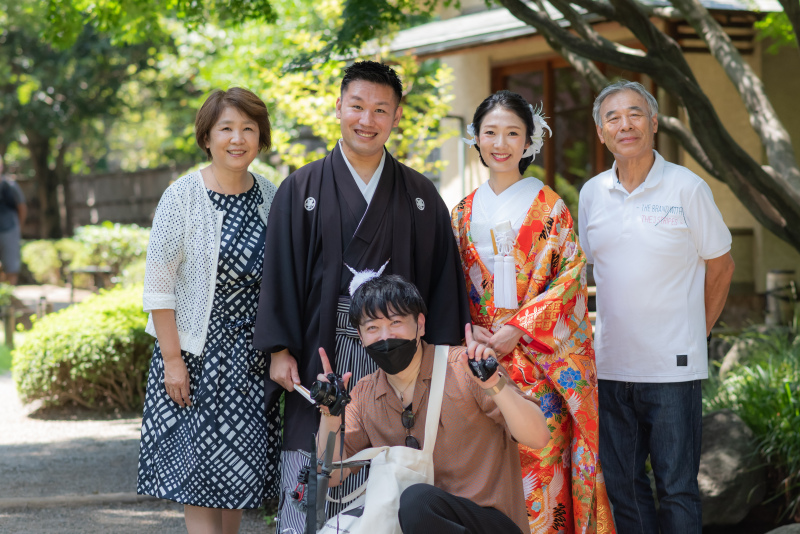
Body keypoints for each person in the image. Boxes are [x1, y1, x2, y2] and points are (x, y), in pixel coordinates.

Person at [254, 61, 471, 532]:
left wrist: (445, 363)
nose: (366, 120)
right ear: (338, 107)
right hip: (321, 349)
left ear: (395, 118)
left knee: (398, 465)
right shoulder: (301, 188)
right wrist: (278, 349)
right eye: (357, 106)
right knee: (313, 459)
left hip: (402, 356)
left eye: (380, 110)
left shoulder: (419, 194)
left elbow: (441, 284)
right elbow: (280, 271)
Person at [452, 90, 614, 533]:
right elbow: (449, 284)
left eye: (512, 133)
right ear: (476, 138)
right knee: (481, 468)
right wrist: (474, 335)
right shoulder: (462, 212)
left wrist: (519, 329)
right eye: (490, 133)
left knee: (540, 465)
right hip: (478, 358)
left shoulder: (550, 207)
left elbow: (570, 278)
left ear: (529, 141)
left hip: (538, 360)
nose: (500, 143)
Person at [578, 80, 735, 533]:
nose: (624, 124)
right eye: (612, 117)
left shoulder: (687, 187)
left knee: (677, 488)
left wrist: (695, 333)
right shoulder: (592, 194)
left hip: (673, 371)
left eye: (634, 114)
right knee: (624, 486)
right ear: (600, 131)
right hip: (610, 367)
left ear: (654, 123)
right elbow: (591, 272)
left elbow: (721, 267)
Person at [137, 87, 281, 534]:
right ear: (207, 136)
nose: (237, 139)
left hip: (250, 359)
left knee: (236, 476)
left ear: (260, 138)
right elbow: (158, 287)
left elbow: (282, 281)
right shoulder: (182, 197)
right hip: (195, 357)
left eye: (248, 129)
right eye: (226, 129)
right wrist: (173, 362)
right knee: (198, 479)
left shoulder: (271, 197)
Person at [316, 274, 550, 534]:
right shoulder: (365, 394)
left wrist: (493, 384)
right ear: (360, 336)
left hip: (488, 524)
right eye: (372, 328)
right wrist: (330, 414)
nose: (385, 336)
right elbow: (331, 475)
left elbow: (539, 437)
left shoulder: (465, 368)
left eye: (395, 322)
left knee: (417, 502)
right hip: (415, 524)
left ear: (420, 325)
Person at [0, 159, 27, 285]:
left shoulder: (10, 185)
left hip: (9, 228)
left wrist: (18, 227)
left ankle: (8, 297)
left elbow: (22, 207)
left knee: (11, 266)